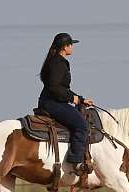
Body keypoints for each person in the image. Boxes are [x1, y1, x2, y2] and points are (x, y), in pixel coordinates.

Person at [38, 33, 95, 174]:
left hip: (53, 101)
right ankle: (75, 162)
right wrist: (74, 99)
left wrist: (80, 99)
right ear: (64, 47)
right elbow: (55, 88)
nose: (73, 47)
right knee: (81, 125)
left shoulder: (56, 61)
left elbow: (62, 89)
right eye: (71, 44)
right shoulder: (58, 63)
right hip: (52, 103)